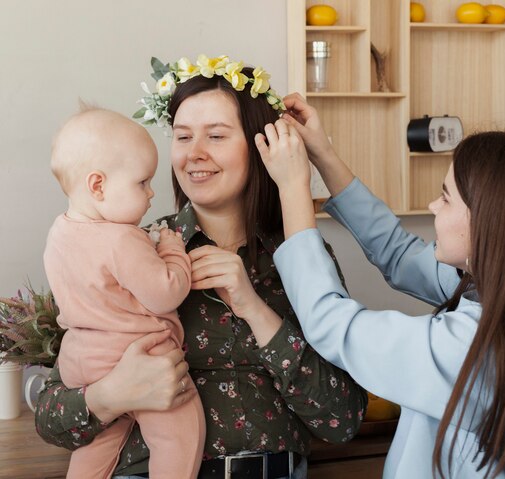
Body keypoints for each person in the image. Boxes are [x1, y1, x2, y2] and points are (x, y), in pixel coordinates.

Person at [36, 56, 367, 479]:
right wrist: (110, 395)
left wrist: (256, 310)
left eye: (216, 135)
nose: (194, 154)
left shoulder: (299, 255)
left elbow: (342, 419)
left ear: (259, 144)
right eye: (182, 136)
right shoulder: (133, 248)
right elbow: (50, 416)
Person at [252, 94, 505, 478]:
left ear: (490, 224)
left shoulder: (471, 348)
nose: (433, 206)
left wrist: (292, 189)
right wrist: (322, 153)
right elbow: (398, 253)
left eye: (445, 197)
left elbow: (331, 323)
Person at [44, 107, 205, 479]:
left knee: (97, 446)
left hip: (81, 361)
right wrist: (172, 251)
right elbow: (166, 292)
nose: (151, 194)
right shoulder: (122, 239)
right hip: (136, 356)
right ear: (98, 186)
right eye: (142, 182)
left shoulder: (59, 233)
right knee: (178, 435)